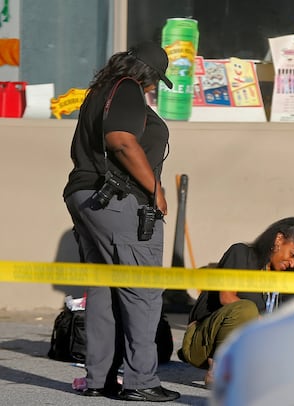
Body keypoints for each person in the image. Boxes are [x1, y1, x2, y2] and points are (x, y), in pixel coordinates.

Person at [63, 42, 180, 402]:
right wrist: (155, 189)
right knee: (142, 293)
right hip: (118, 200)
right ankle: (141, 381)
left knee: (103, 290)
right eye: (154, 80)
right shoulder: (127, 87)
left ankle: (99, 378)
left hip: (86, 196)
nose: (153, 87)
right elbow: (122, 141)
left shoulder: (100, 90)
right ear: (145, 72)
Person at [177, 217, 294, 386]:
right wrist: (264, 324)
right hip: (203, 342)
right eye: (292, 255)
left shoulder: (283, 273)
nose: (292, 263)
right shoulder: (242, 253)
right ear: (279, 240)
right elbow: (226, 297)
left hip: (249, 347)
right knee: (246, 309)